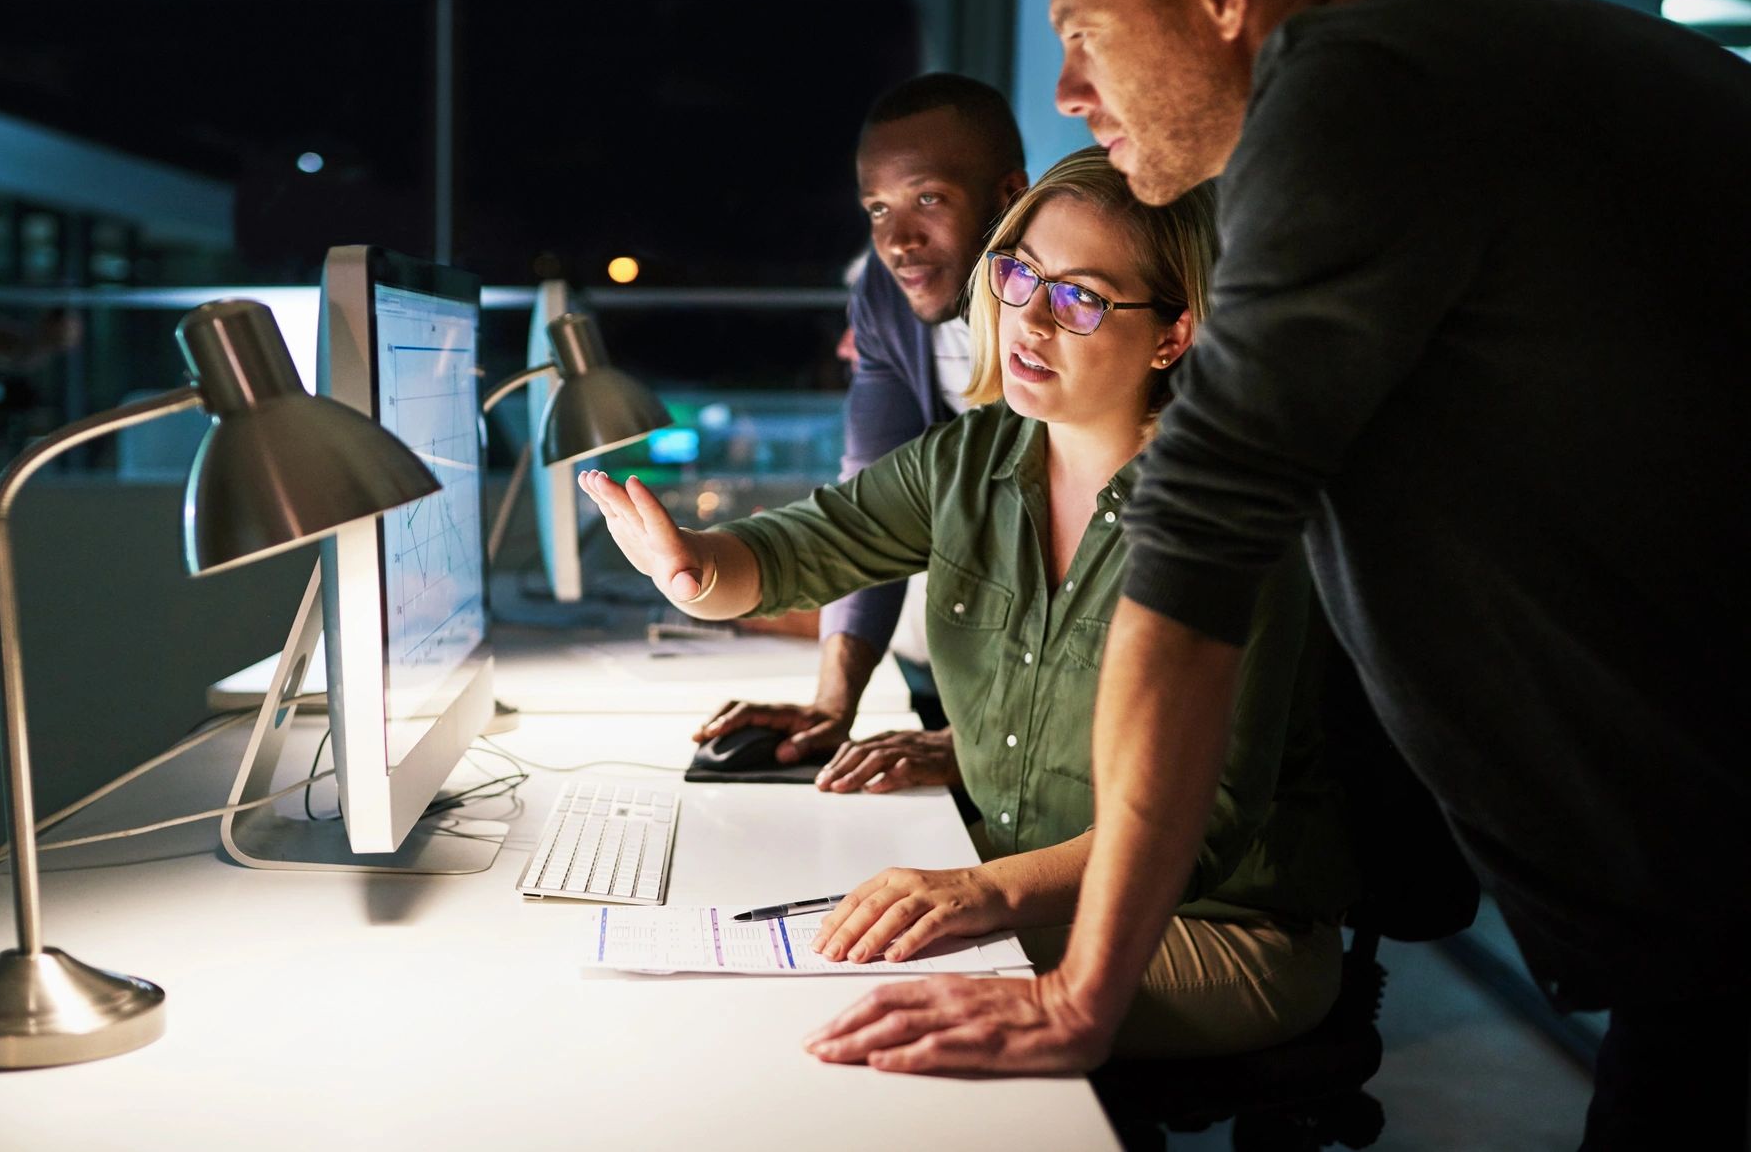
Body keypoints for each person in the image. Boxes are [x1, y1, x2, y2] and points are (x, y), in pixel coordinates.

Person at [803, 0, 1751, 1146]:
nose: (1068, 88)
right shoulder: (1466, 58)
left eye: (1081, 28)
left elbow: (1196, 548)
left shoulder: (1357, 90)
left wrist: (1085, 988)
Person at [581, 149, 1358, 1058]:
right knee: (826, 948)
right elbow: (803, 544)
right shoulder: (972, 457)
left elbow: (1204, 828)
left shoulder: (1225, 516)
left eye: (1080, 297)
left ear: (1171, 334)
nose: (1028, 316)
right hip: (1017, 865)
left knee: (862, 993)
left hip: (1217, 925)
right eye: (1019, 271)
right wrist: (694, 568)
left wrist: (986, 892)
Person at [697, 72, 1027, 790]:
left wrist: (978, 743)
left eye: (928, 199)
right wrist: (832, 703)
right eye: (877, 209)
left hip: (1065, 700)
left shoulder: (1071, 303)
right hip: (964, 661)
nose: (898, 240)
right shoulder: (883, 295)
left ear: (1008, 197)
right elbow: (869, 505)